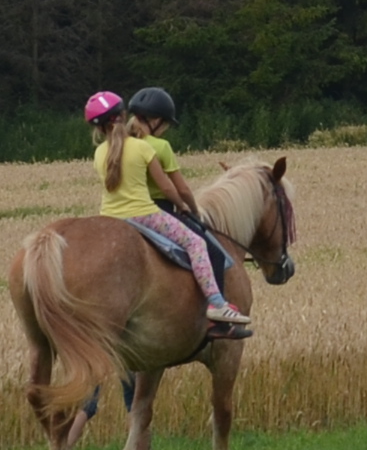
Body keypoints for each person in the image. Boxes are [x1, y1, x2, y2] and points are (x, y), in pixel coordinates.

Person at [95, 88, 255, 338]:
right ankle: (217, 305)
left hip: (109, 215)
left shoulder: (101, 151)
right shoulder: (149, 147)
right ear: (155, 120)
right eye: (166, 124)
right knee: (196, 243)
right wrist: (186, 207)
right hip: (146, 212)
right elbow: (173, 188)